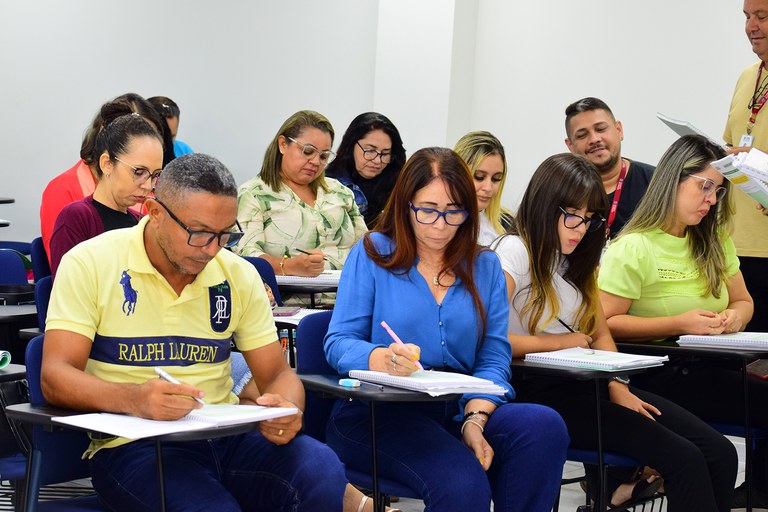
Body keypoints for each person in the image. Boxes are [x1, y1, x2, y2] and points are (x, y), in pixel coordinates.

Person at [41, 153, 349, 511]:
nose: (211, 249)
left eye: (224, 235)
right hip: (134, 447)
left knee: (322, 470)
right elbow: (55, 376)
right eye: (199, 232)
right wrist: (135, 399)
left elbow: (277, 373)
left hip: (226, 435)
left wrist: (287, 409)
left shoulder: (237, 273)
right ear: (155, 213)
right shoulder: (90, 263)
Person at [324, 147, 569, 512]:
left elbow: (493, 357)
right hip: (378, 413)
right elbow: (338, 342)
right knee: (461, 481)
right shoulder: (374, 252)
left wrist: (476, 417)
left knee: (543, 426)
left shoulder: (484, 265)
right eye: (427, 211)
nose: (440, 225)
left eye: (454, 212)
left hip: (455, 408)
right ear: (405, 204)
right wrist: (381, 357)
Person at [493, 152, 737, 512]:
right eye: (572, 216)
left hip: (588, 384)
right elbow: (491, 341)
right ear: (545, 205)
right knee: (684, 459)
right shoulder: (512, 251)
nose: (580, 229)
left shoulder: (576, 257)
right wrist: (562, 343)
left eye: (590, 219)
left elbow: (599, 330)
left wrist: (617, 384)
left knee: (719, 452)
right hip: (536, 392)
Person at [598, 135, 763, 506]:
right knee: (718, 455)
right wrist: (678, 323)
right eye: (704, 186)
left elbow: (743, 300)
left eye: (718, 191)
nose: (711, 199)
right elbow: (604, 323)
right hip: (655, 374)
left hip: (707, 368)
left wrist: (734, 317)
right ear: (673, 180)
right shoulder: (635, 246)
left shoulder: (715, 239)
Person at [40, 93, 172, 263]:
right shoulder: (76, 217)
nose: (148, 186)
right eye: (139, 172)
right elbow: (69, 285)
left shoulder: (141, 224)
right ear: (107, 164)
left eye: (155, 175)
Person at [235, 110, 367, 278]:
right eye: (308, 151)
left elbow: (365, 247)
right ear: (283, 144)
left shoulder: (340, 192)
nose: (315, 161)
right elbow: (245, 256)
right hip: (285, 299)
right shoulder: (253, 194)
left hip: (344, 296)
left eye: (324, 156)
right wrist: (289, 266)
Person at [723, 0, 768, 334]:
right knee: (745, 367)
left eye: (762, 16)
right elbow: (732, 143)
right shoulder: (746, 76)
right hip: (735, 247)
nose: (751, 26)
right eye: (747, 17)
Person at [564, 97, 655, 239]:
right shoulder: (560, 189)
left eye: (601, 129)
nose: (594, 139)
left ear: (619, 130)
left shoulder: (656, 182)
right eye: (582, 135)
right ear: (570, 145)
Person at [325, 112, 406, 228]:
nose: (377, 161)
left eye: (385, 153)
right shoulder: (328, 184)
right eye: (370, 151)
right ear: (351, 145)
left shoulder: (399, 185)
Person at [453, 131, 513, 245]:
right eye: (479, 177)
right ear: (458, 173)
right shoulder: (441, 225)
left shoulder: (508, 225)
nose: (488, 188)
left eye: (496, 178)